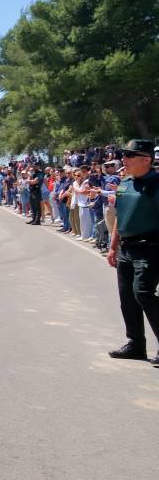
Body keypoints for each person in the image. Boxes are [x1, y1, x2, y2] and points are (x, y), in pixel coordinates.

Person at [106, 139, 159, 364]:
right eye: (124, 155)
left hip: (150, 248)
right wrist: (113, 247)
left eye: (129, 155)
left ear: (146, 159)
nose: (124, 159)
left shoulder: (156, 184)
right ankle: (136, 344)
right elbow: (120, 217)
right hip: (126, 249)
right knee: (127, 297)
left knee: (143, 293)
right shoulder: (125, 182)